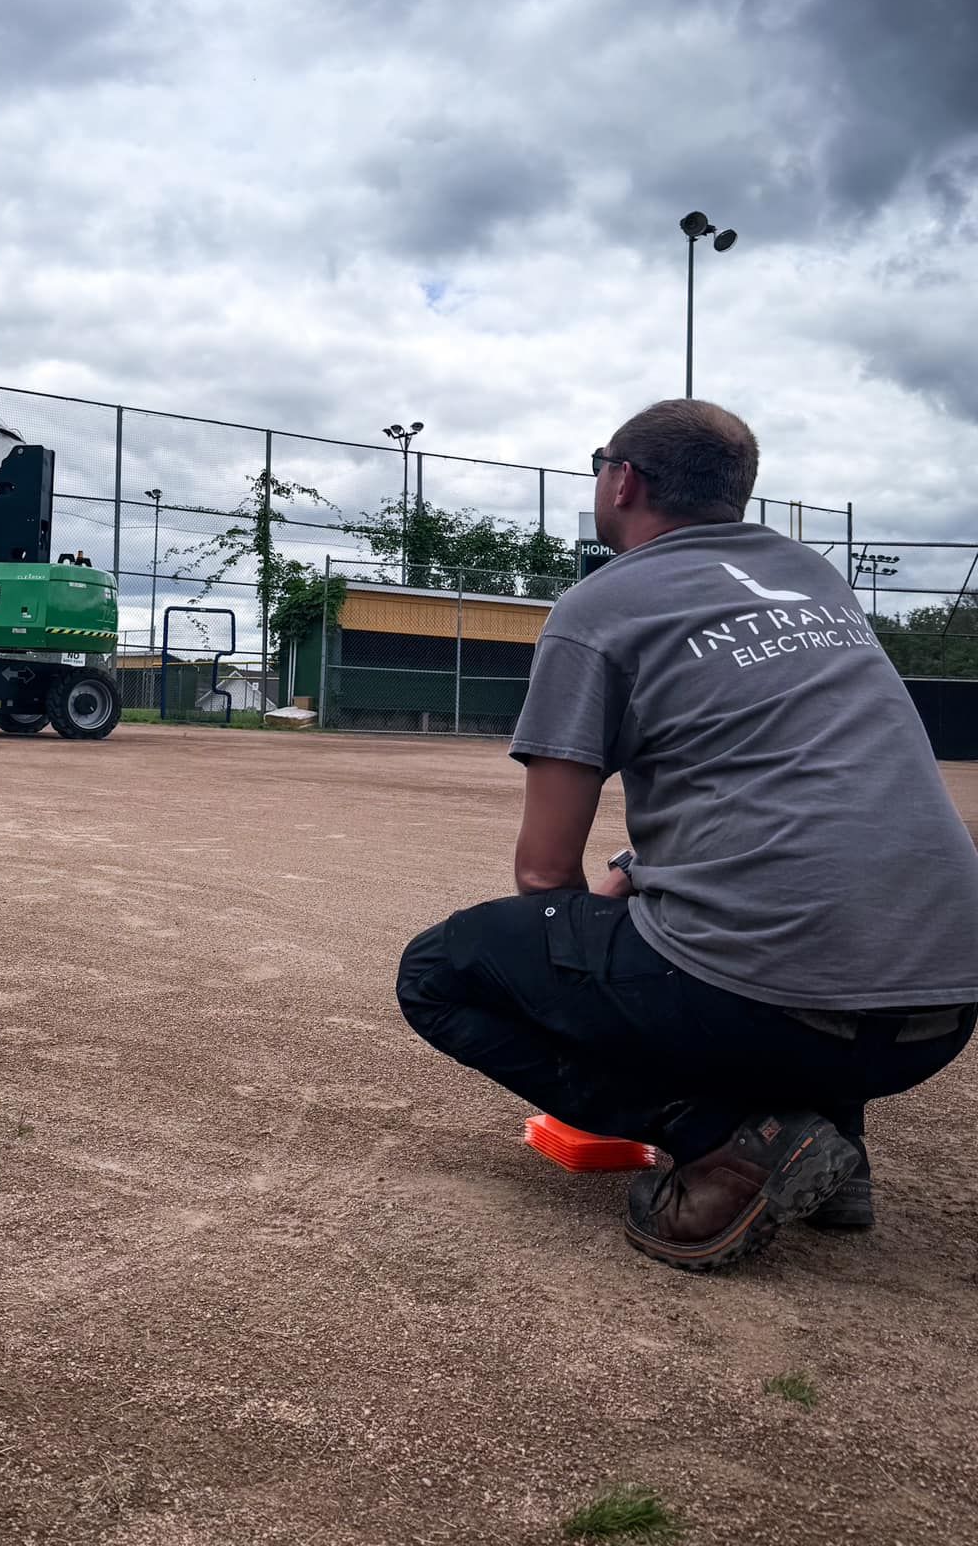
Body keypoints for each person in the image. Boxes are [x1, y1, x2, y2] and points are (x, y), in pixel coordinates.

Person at [395, 399, 978, 1272]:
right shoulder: (813, 578)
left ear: (622, 479)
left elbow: (543, 872)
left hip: (773, 1001)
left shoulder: (599, 607)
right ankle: (836, 1149)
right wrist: (642, 874)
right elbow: (801, 784)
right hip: (943, 1010)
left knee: (439, 972)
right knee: (770, 935)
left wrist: (590, 978)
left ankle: (728, 1142)